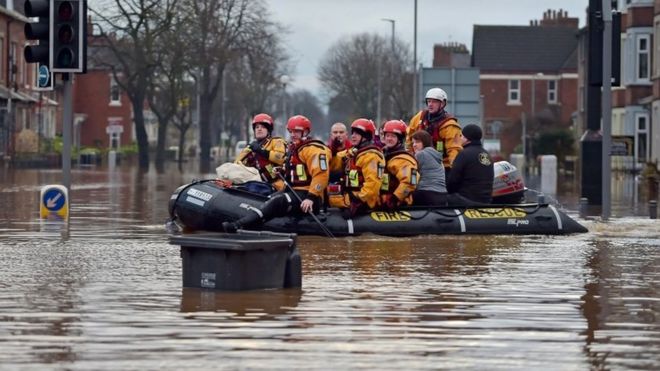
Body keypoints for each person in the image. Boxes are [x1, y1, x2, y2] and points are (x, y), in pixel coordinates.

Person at [223, 115, 331, 232]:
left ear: (305, 132)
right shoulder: (295, 148)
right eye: (291, 131)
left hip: (308, 195)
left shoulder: (314, 149)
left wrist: (311, 197)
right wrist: (282, 170)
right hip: (293, 190)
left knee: (277, 202)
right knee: (268, 199)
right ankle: (256, 219)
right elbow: (296, 170)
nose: (293, 134)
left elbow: (321, 175)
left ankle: (237, 225)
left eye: (297, 131)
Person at [330, 118, 385, 217]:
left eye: (357, 133)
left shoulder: (371, 156)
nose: (353, 136)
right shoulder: (353, 152)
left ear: (365, 136)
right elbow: (333, 165)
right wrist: (333, 151)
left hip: (363, 201)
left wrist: (358, 200)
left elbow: (372, 184)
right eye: (353, 133)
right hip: (350, 197)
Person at [406, 87, 463, 176]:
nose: (430, 104)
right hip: (420, 164)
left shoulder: (450, 125)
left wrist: (455, 171)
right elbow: (409, 137)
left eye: (434, 102)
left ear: (442, 104)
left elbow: (454, 150)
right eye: (429, 101)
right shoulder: (419, 117)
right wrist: (409, 158)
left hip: (442, 167)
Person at [235, 113, 287, 190]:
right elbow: (237, 164)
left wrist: (261, 151)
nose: (259, 129)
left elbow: (280, 158)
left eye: (263, 127)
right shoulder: (250, 147)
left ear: (268, 130)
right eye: (257, 127)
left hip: (275, 184)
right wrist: (247, 152)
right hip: (254, 183)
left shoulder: (277, 141)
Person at [447, 124, 494, 204]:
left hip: (466, 200)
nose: (460, 138)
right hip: (485, 201)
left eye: (461, 136)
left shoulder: (464, 154)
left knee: (440, 198)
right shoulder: (487, 155)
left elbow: (453, 181)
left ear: (467, 139)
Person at [380, 120, 418, 210]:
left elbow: (410, 183)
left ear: (400, 139)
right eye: (387, 136)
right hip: (382, 200)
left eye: (393, 136)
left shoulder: (404, 159)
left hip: (397, 204)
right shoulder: (382, 154)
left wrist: (395, 199)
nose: (389, 139)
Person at [410, 130, 448, 206]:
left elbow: (412, 175)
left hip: (426, 193)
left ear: (425, 142)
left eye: (417, 142)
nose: (414, 145)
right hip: (443, 194)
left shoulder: (420, 154)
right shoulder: (437, 155)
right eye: (413, 142)